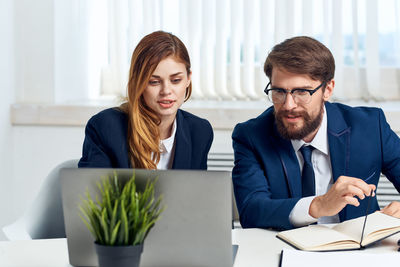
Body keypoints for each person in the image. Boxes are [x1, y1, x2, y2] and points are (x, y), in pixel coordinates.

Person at [232, 36, 400, 230]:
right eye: (279, 91)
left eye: (302, 92)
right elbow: (252, 211)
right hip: (282, 250)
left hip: (358, 252)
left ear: (327, 89)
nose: (288, 105)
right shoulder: (251, 136)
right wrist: (318, 205)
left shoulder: (370, 126)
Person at [78, 31, 213, 170]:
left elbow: (196, 191)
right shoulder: (105, 127)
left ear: (188, 79)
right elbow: (91, 191)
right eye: (154, 82)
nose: (166, 90)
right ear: (139, 82)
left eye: (176, 80)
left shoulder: (200, 131)